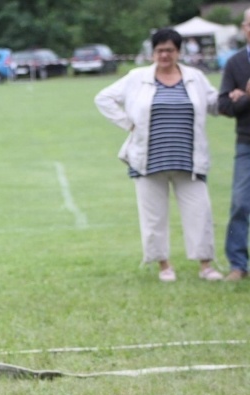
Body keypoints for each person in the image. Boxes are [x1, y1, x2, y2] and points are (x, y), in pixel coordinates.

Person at [95, 27, 223, 282]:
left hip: (189, 159)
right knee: (153, 216)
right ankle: (164, 265)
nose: (165, 55)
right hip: (148, 160)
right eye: (160, 50)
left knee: (200, 212)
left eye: (170, 50)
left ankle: (205, 264)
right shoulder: (137, 77)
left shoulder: (195, 77)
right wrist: (127, 123)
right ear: (153, 52)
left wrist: (237, 95)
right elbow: (104, 98)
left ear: (179, 52)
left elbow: (216, 104)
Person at [218, 8, 250, 282]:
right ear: (244, 28)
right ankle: (238, 265)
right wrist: (246, 97)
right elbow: (225, 105)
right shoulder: (235, 63)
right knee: (240, 203)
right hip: (247, 144)